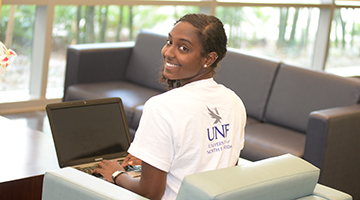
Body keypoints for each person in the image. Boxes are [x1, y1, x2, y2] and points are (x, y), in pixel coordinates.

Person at [93, 13, 246, 200]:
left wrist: (117, 174)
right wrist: (154, 160)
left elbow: (150, 192)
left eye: (183, 48)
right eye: (169, 42)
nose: (168, 52)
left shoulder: (161, 108)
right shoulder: (233, 102)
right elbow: (222, 164)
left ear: (208, 59)